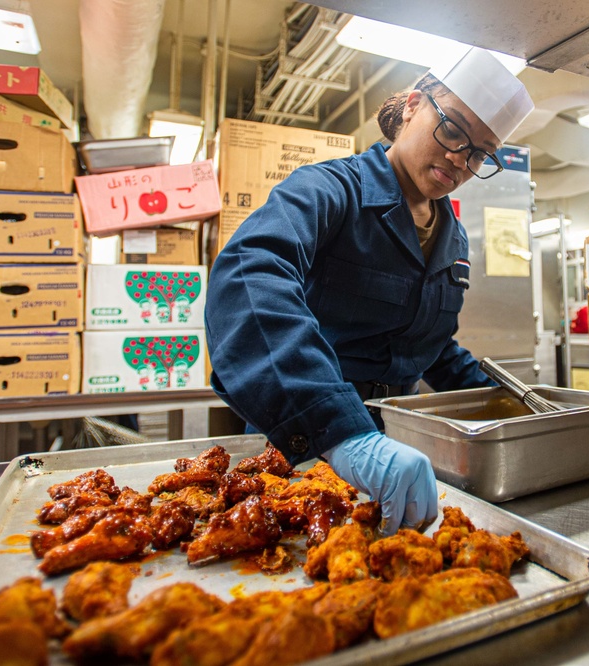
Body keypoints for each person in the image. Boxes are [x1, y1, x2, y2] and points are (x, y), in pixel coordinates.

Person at [205, 47, 535, 535]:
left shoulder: (452, 236)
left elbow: (427, 344)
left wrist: (512, 406)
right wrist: (344, 436)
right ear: (413, 106)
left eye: (480, 152)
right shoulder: (328, 191)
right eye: (453, 129)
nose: (459, 159)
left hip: (403, 445)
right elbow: (248, 275)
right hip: (309, 435)